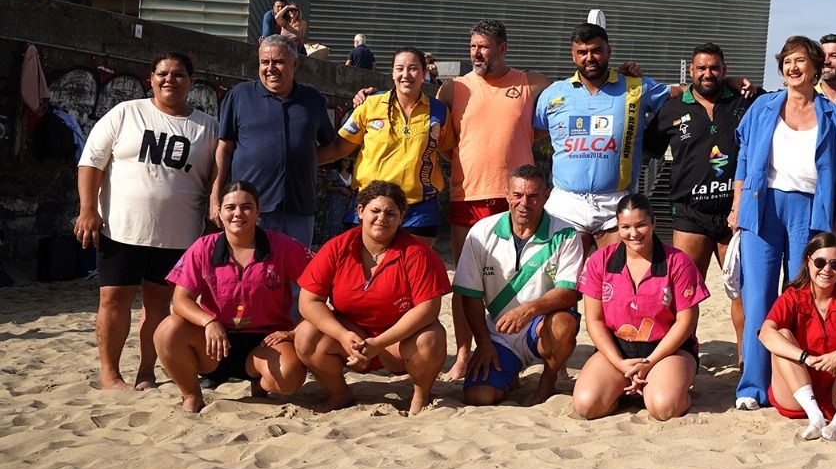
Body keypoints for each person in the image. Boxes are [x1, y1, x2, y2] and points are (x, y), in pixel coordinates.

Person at [75, 52, 218, 390]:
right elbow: (91, 162)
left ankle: (146, 372)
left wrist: (212, 226)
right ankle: (110, 374)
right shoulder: (126, 113)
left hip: (178, 236)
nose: (170, 80)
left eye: (179, 74)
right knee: (113, 300)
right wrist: (87, 209)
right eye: (162, 73)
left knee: (158, 304)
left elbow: (215, 179)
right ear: (151, 78)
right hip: (120, 229)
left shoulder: (208, 127)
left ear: (191, 81)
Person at [730, 36, 836, 409]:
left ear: (815, 68)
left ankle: (792, 382)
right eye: (787, 61)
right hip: (762, 206)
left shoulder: (833, 114)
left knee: (800, 297)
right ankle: (753, 386)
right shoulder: (763, 107)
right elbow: (744, 157)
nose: (793, 67)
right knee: (758, 297)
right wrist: (737, 205)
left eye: (800, 60)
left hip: (812, 209)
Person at [433, 20, 548, 380]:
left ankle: (536, 349)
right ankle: (464, 353)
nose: (477, 53)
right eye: (472, 47)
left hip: (516, 195)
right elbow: (432, 125)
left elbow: (575, 93)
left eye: (483, 46)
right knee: (466, 282)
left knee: (529, 275)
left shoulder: (531, 83)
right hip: (468, 193)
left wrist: (625, 75)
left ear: (503, 48)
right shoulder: (453, 88)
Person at [643, 42, 758, 360]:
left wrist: (743, 84)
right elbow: (648, 149)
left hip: (735, 214)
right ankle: (683, 359)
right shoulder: (671, 109)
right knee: (684, 295)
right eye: (702, 68)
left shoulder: (744, 101)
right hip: (689, 214)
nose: (708, 73)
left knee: (742, 294)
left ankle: (745, 362)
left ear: (725, 70)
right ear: (691, 71)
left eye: (715, 68)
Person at [155, 180, 312, 412]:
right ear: (219, 212)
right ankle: (191, 395)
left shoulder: (283, 246)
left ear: (258, 211)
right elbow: (180, 300)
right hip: (214, 341)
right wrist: (209, 322)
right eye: (230, 207)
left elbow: (318, 289)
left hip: (266, 340)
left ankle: (260, 384)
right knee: (168, 329)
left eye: (246, 207)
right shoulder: (203, 247)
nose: (238, 213)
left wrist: (294, 331)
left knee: (289, 377)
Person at [294, 181, 449, 415]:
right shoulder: (337, 247)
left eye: (390, 213)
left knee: (431, 338)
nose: (381, 219)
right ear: (360, 211)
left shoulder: (417, 253)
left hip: (397, 341)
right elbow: (308, 301)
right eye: (375, 211)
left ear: (401, 218)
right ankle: (339, 393)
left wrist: (379, 343)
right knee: (306, 334)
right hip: (350, 337)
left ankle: (421, 395)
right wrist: (343, 335)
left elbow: (428, 309)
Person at [535, 22, 673, 249]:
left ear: (609, 50)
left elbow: (685, 94)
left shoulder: (636, 87)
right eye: (582, 52)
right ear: (572, 55)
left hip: (615, 202)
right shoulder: (553, 93)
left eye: (596, 50)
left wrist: (727, 83)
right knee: (562, 271)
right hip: (566, 203)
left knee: (616, 270)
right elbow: (531, 132)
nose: (589, 58)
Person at [453, 165, 582, 406]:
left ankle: (548, 381)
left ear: (546, 196)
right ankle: (509, 374)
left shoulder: (566, 233)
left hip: (541, 324)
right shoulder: (481, 232)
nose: (524, 203)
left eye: (533, 196)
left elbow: (569, 292)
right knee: (479, 397)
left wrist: (527, 310)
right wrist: (483, 343)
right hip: (499, 330)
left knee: (565, 323)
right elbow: (469, 295)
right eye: (518, 195)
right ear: (507, 195)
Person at [572, 194, 708, 421]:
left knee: (664, 408)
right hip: (619, 349)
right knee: (587, 405)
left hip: (667, 350)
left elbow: (686, 322)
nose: (633, 233)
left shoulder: (678, 262)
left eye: (641, 225)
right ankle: (627, 387)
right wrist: (619, 363)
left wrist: (650, 362)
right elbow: (594, 321)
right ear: (617, 226)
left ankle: (664, 386)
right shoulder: (599, 261)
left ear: (653, 222)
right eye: (625, 227)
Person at [759, 232, 836, 440]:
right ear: (807, 262)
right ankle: (815, 417)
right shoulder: (793, 295)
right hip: (797, 393)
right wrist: (805, 358)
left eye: (835, 265)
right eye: (820, 262)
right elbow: (765, 333)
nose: (827, 269)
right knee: (781, 334)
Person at [213, 35, 334, 246]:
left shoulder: (313, 100)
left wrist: (303, 159)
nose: (270, 68)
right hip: (249, 209)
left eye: (278, 61)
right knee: (250, 265)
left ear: (295, 64)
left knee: (296, 266)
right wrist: (214, 197)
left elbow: (331, 145)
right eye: (264, 62)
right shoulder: (239, 96)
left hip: (298, 210)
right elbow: (224, 148)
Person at [320, 47, 454, 236]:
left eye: (413, 68)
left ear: (424, 73)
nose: (405, 75)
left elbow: (450, 151)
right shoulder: (370, 103)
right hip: (370, 205)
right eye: (399, 69)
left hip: (418, 210)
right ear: (392, 73)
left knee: (415, 257)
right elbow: (340, 146)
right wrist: (303, 161)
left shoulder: (439, 111)